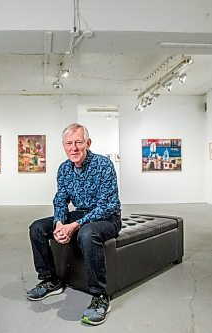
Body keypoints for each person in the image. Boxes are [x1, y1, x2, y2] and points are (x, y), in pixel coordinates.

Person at [27, 123, 121, 326]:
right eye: (69, 143)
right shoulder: (64, 169)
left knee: (87, 234)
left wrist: (75, 225)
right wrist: (60, 222)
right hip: (80, 215)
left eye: (79, 142)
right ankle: (51, 280)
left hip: (108, 218)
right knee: (37, 228)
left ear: (88, 143)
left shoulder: (104, 165)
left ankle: (100, 296)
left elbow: (107, 206)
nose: (74, 148)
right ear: (64, 146)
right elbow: (60, 200)